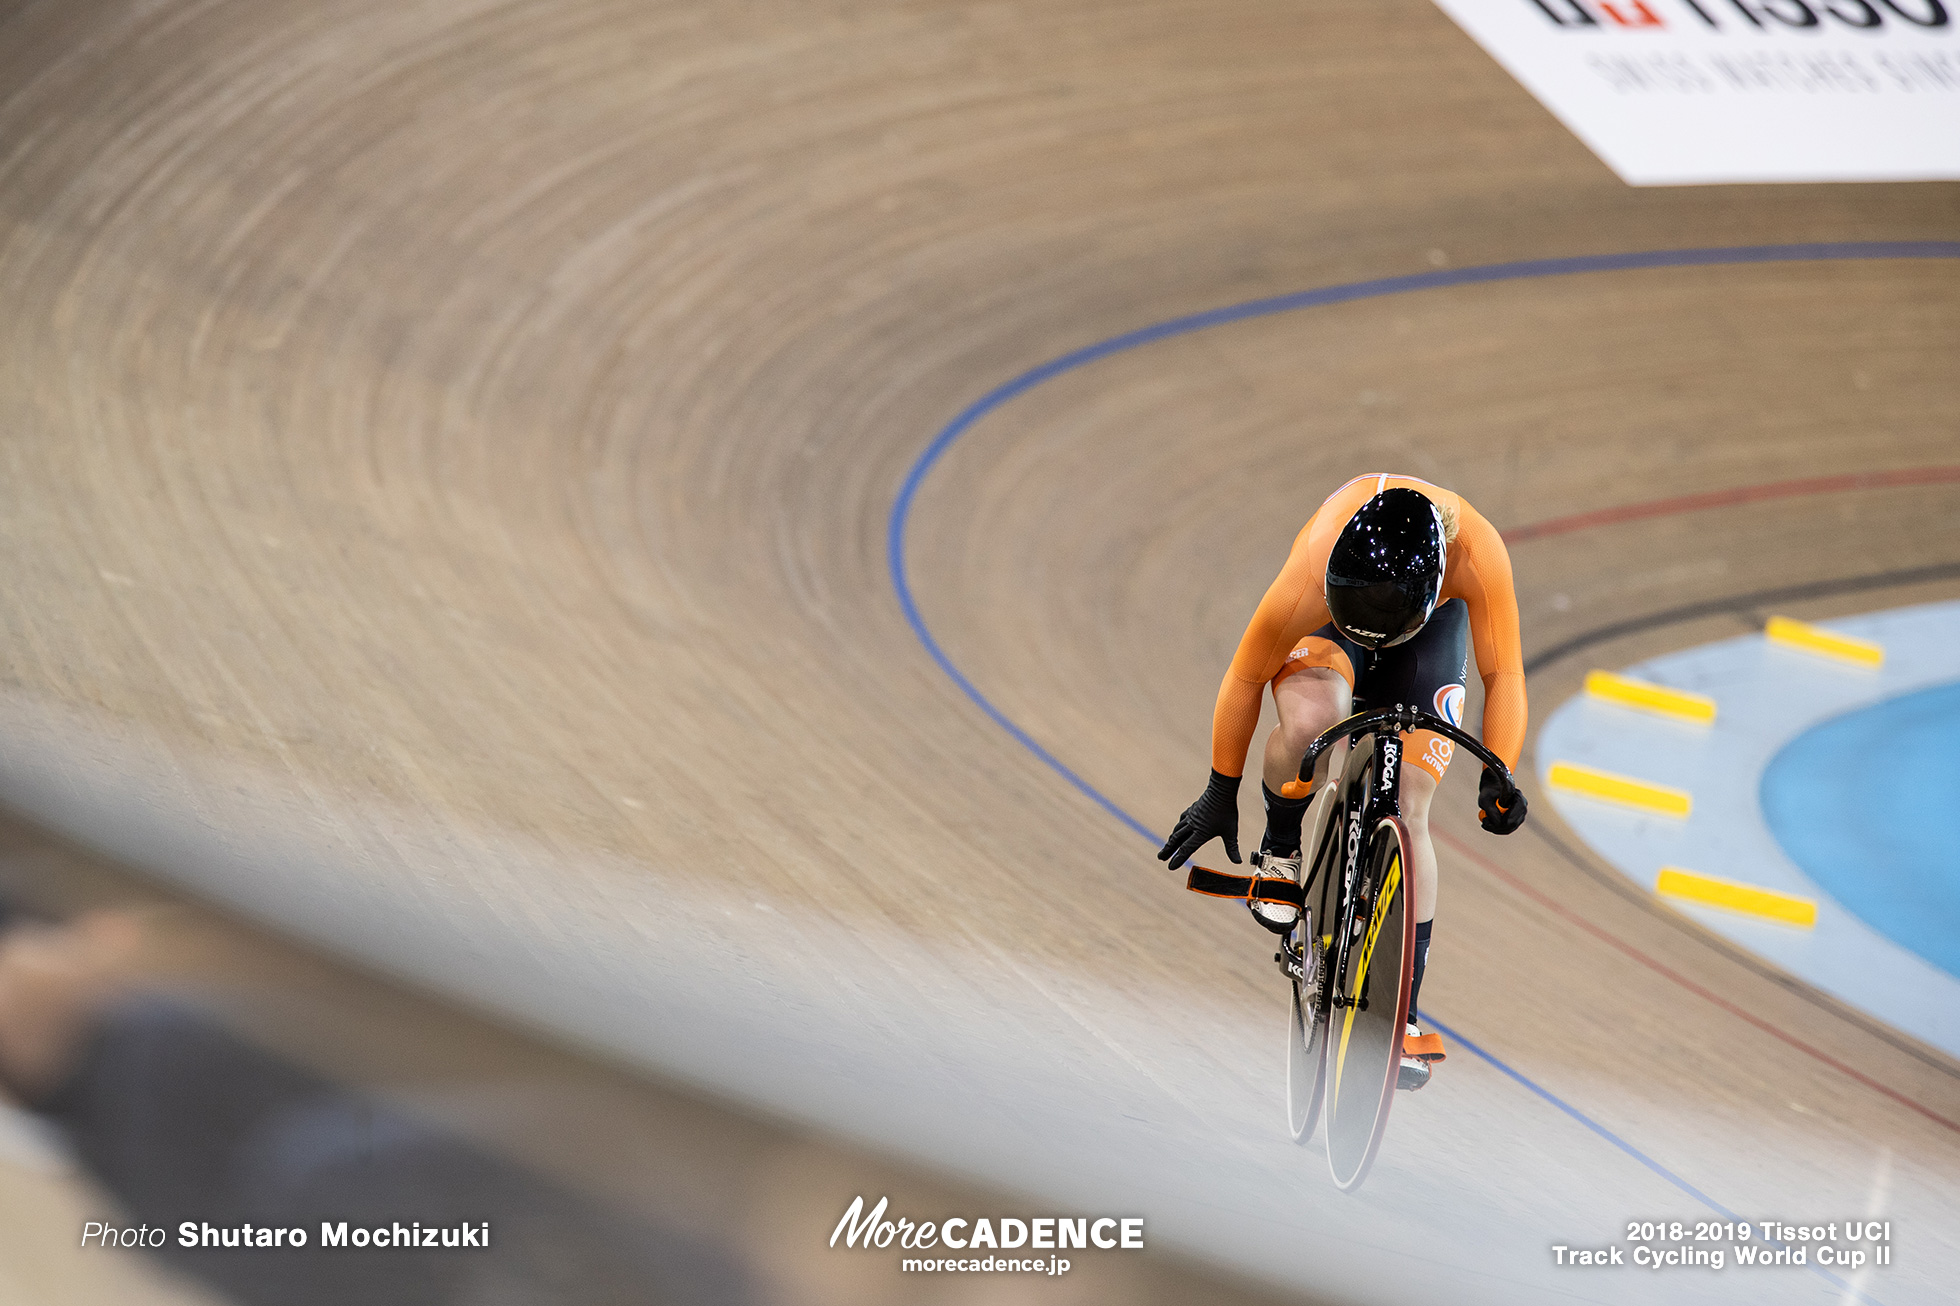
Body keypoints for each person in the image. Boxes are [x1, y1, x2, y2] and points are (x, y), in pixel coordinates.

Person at [1158, 474, 1528, 1090]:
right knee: (1313, 726)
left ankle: (1403, 1013)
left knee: (1411, 804)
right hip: (1330, 627)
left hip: (1425, 633)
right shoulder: (1317, 557)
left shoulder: (1479, 553)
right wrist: (1221, 790)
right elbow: (1247, 675)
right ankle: (1281, 846)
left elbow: (1503, 672)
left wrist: (1499, 768)